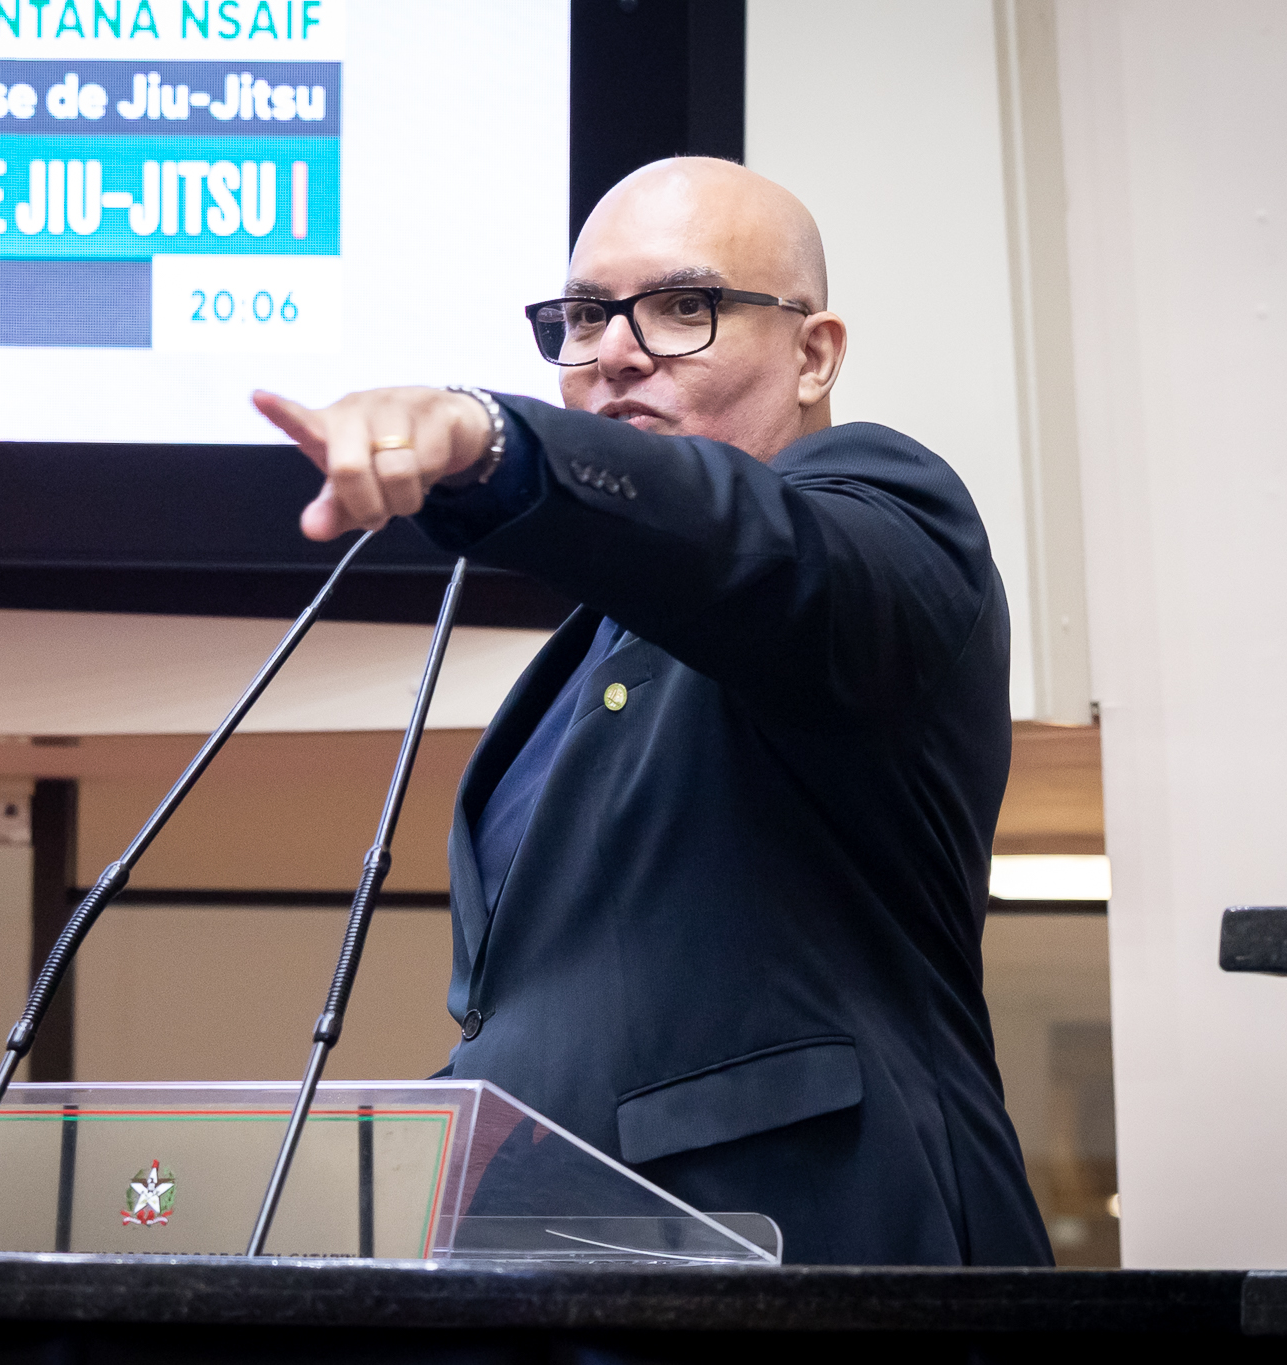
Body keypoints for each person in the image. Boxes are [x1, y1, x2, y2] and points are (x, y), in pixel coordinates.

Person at [253, 157, 1052, 1267]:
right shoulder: (591, 648)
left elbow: (749, 549)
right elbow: (571, 1035)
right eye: (585, 316)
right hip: (565, 1283)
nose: (617, 351)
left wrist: (498, 444)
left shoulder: (884, 518)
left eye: (683, 306)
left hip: (827, 1271)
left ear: (814, 354)